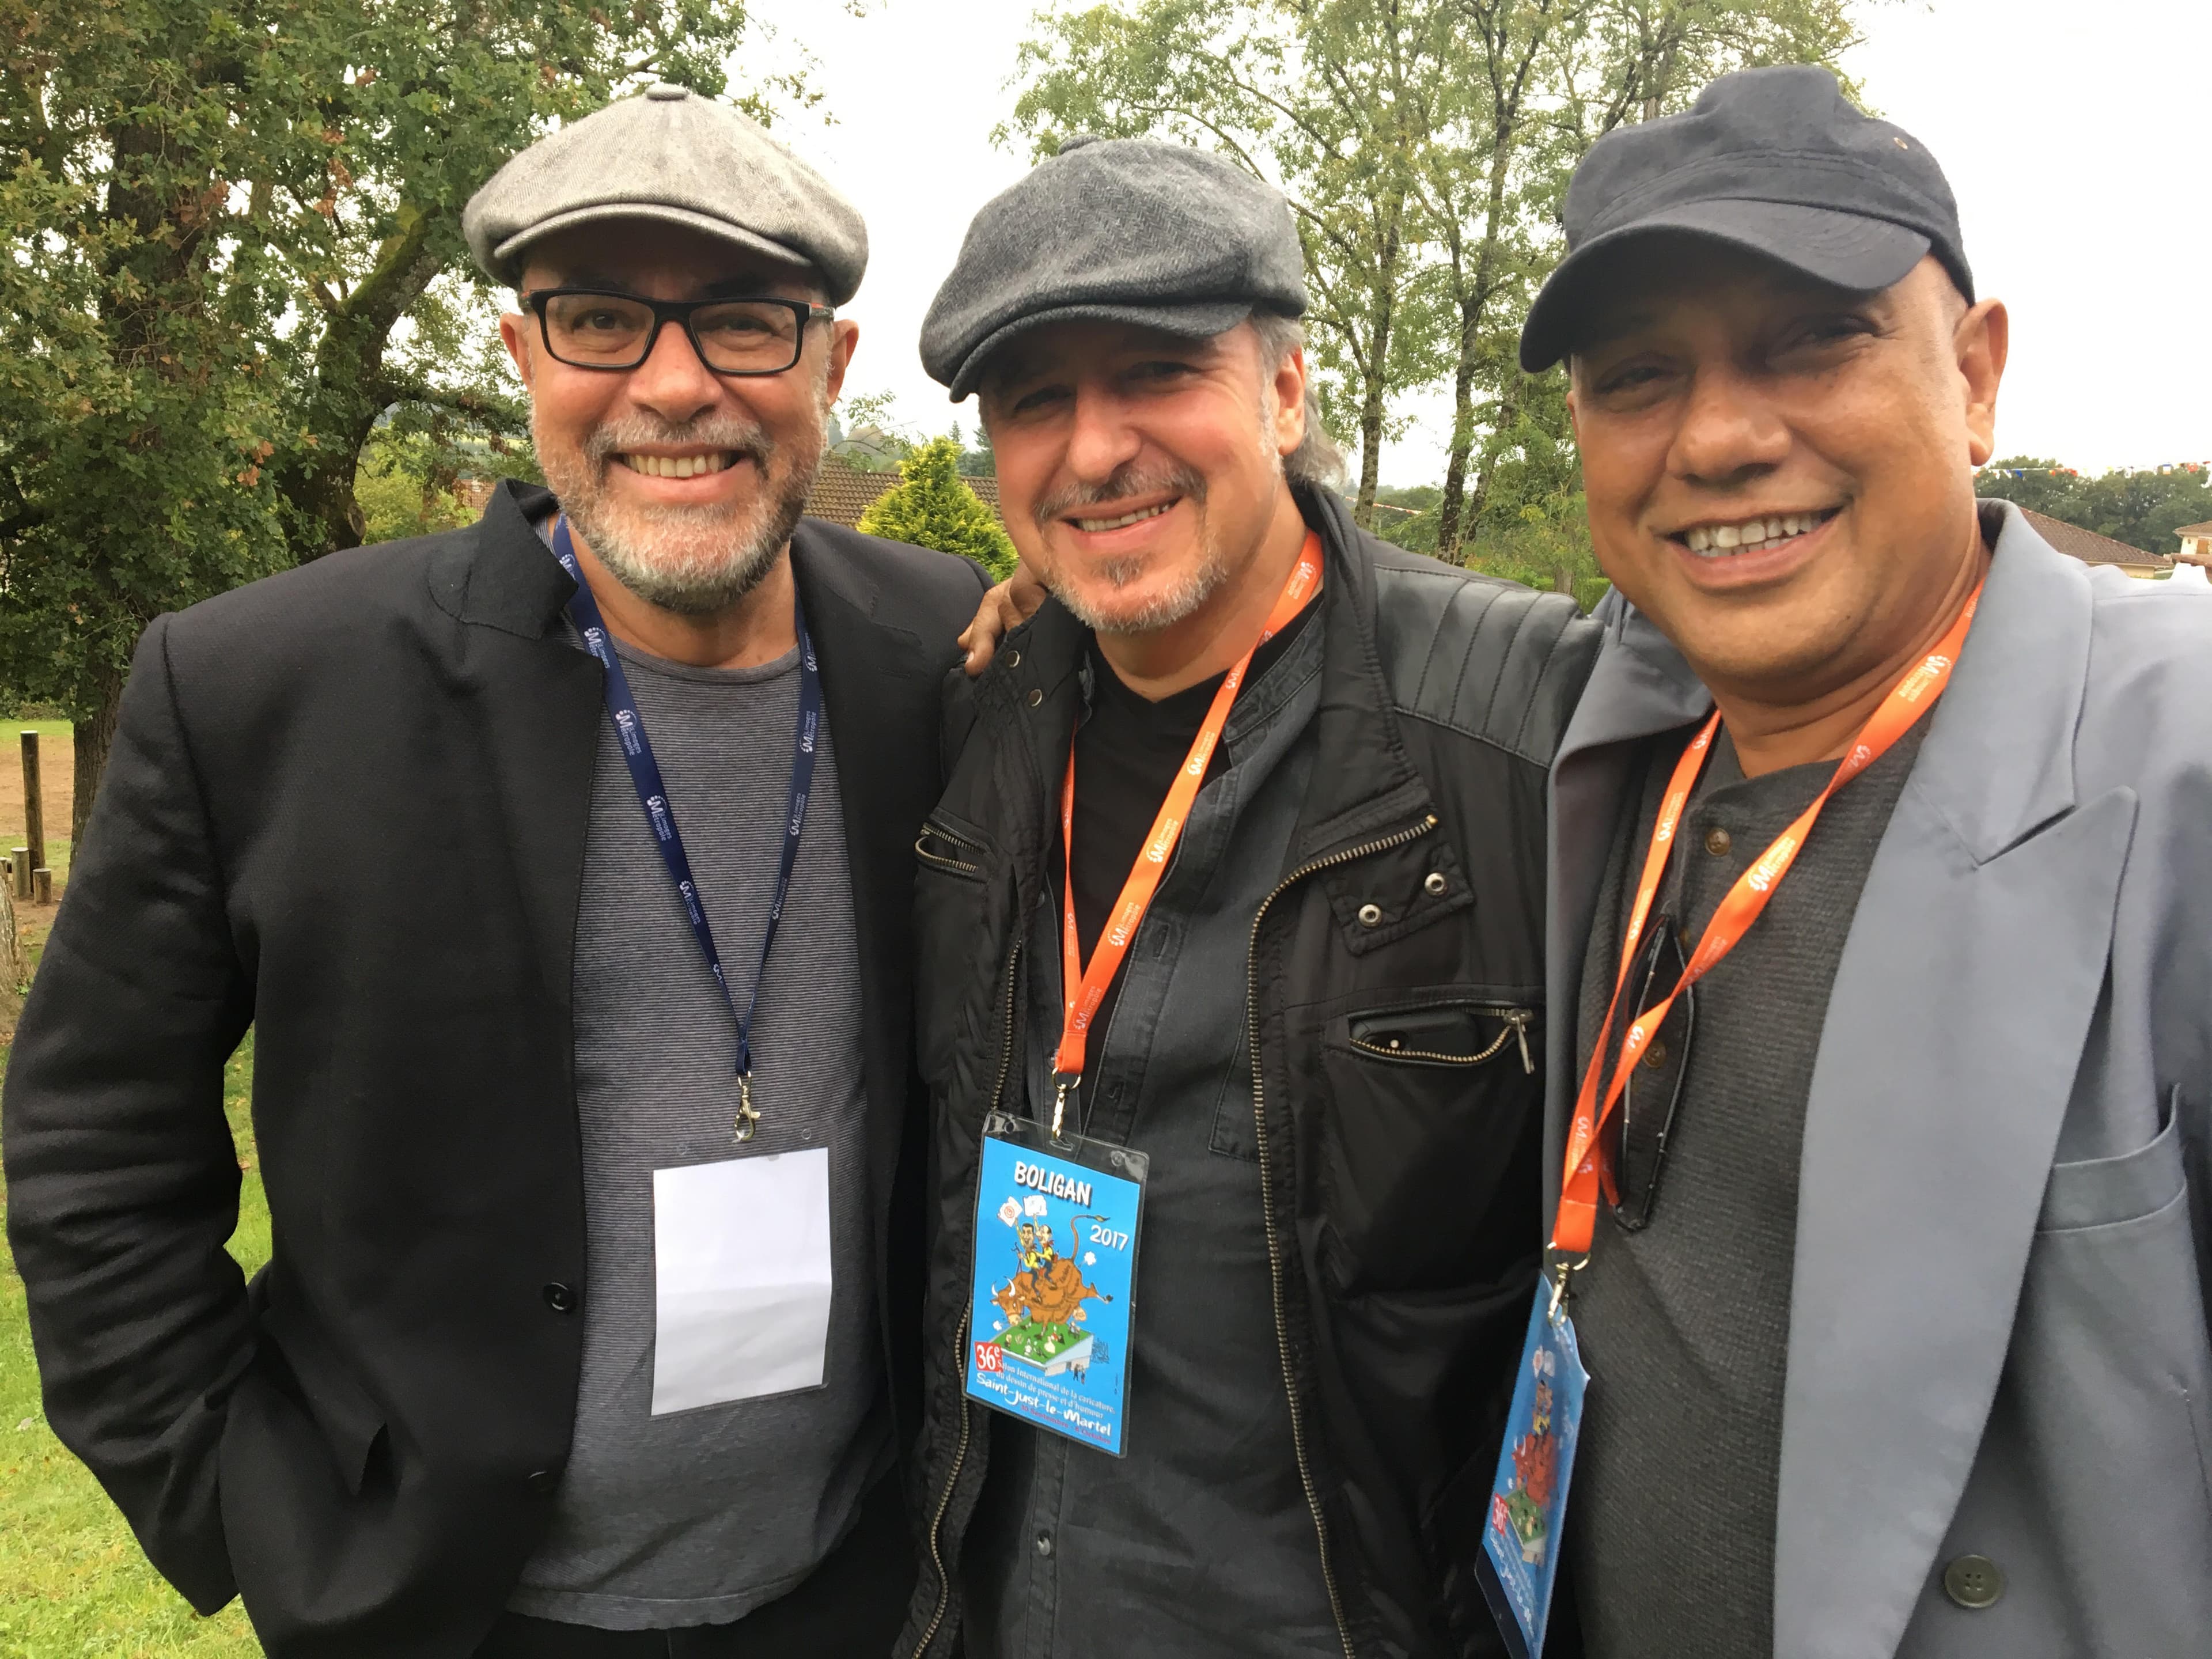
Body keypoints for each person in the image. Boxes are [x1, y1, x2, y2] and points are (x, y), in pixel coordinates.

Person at [2, 85, 990, 1657]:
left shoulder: (951, 655)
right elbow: (90, 1153)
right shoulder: (265, 690)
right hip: (453, 1612)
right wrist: (243, 1506)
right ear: (522, 354)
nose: (673, 386)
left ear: (833, 365)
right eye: (600, 318)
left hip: (863, 1593)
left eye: (745, 322)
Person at [1518, 66, 2212, 1658]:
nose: (1719, 437)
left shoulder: (2176, 769)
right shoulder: (1622, 735)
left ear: (1975, 376)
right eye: (1640, 376)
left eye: (1809, 340)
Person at [896, 136, 1599, 1659]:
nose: (1093, 450)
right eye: (1035, 400)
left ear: (1286, 392)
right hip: (1003, 1607)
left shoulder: (1529, 729)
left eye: (1156, 372)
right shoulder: (985, 709)